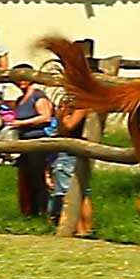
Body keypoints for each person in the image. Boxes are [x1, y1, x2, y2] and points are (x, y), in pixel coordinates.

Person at [10, 66, 52, 216]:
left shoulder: (38, 96)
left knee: (38, 176)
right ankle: (30, 212)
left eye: (24, 78)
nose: (21, 82)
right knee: (27, 178)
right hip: (24, 141)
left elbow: (45, 116)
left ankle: (43, 211)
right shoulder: (20, 99)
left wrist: (21, 123)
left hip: (37, 140)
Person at [48, 98, 94, 235]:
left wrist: (61, 114)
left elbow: (68, 127)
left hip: (72, 151)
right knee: (81, 191)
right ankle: (85, 229)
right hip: (71, 151)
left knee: (71, 192)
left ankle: (80, 228)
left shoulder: (81, 105)